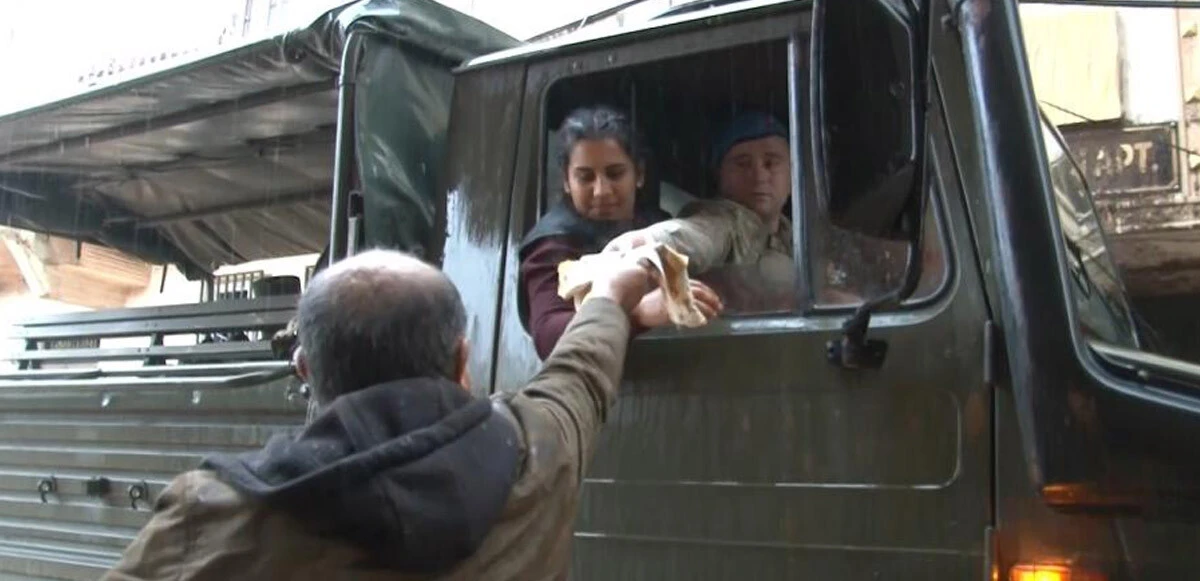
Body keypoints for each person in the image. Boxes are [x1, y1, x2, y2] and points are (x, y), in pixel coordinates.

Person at [101, 248, 722, 581]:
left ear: (305, 372)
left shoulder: (216, 514)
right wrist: (614, 294)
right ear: (462, 361)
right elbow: (581, 373)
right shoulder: (539, 453)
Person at [519, 105, 719, 359]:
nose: (601, 190)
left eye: (615, 174)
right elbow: (550, 338)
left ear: (639, 174)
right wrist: (637, 313)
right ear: (567, 182)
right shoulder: (552, 244)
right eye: (585, 177)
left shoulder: (656, 226)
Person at [605, 110, 799, 311]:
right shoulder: (726, 221)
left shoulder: (799, 234)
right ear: (720, 174)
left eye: (771, 163)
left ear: (793, 172)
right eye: (742, 164)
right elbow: (694, 233)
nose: (759, 175)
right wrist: (642, 246)